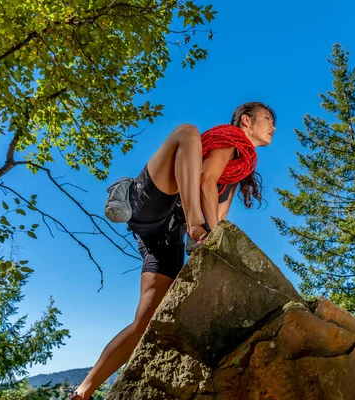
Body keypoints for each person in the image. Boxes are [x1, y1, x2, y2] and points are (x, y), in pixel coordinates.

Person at [69, 102, 276, 400]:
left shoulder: (237, 172)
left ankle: (82, 392)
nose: (272, 126)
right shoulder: (229, 139)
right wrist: (199, 227)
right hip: (154, 202)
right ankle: (126, 190)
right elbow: (205, 182)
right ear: (246, 120)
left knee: (145, 321)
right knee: (187, 132)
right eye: (267, 119)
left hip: (164, 235)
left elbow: (219, 220)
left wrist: (216, 250)